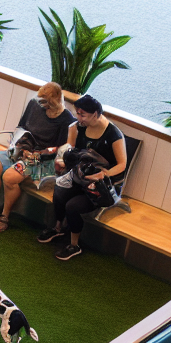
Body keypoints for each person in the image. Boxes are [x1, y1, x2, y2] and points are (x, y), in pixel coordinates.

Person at [40, 93, 129, 261]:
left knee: (73, 206)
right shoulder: (76, 127)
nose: (78, 118)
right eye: (77, 113)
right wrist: (63, 158)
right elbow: (71, 153)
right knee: (59, 191)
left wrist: (103, 174)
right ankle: (58, 228)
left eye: (82, 115)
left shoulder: (113, 134)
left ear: (95, 114)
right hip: (80, 176)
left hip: (104, 185)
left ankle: (74, 245)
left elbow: (122, 165)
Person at [0, 81, 75, 233]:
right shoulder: (34, 104)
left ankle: (4, 216)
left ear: (54, 103)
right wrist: (23, 148)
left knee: (9, 177)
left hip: (44, 159)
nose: (41, 104)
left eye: (46, 102)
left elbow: (60, 150)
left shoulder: (66, 119)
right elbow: (21, 127)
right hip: (24, 149)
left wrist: (37, 154)